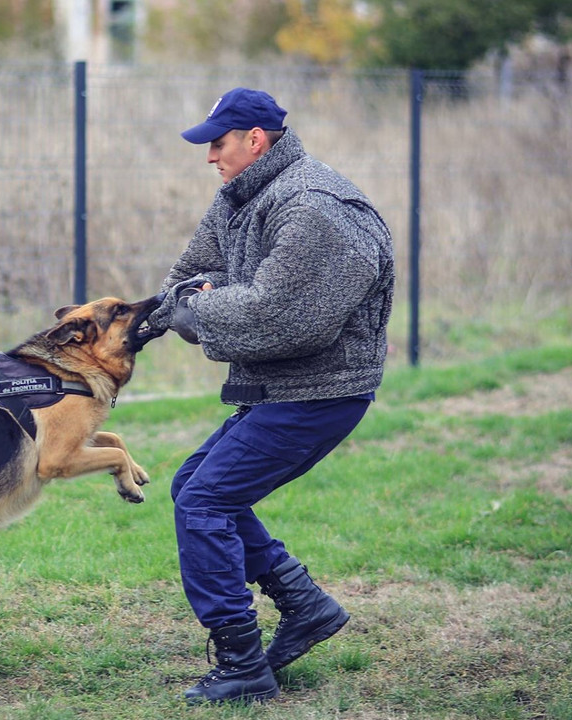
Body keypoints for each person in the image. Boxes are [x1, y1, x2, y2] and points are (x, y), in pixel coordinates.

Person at [146, 88, 394, 704]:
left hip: (322, 391)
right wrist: (191, 301)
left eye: (218, 143)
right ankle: (303, 605)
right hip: (281, 385)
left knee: (203, 500)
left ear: (256, 140)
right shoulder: (242, 194)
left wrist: (202, 302)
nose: (209, 156)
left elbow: (281, 314)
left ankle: (240, 662)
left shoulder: (316, 207)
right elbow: (184, 281)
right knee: (196, 487)